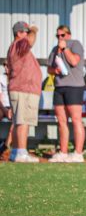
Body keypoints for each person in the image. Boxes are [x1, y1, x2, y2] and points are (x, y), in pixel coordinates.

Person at [46, 25, 86, 162]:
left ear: (68, 34)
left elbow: (74, 61)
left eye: (62, 35)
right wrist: (54, 70)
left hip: (74, 87)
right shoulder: (54, 49)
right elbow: (49, 68)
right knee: (61, 121)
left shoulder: (75, 44)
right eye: (57, 36)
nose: (59, 38)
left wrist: (64, 48)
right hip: (59, 86)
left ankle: (78, 153)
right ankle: (63, 152)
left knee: (76, 120)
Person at [6, 21, 42, 163]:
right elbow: (30, 41)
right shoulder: (20, 44)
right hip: (23, 90)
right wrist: (33, 30)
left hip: (21, 89)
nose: (28, 35)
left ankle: (16, 151)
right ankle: (21, 152)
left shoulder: (17, 47)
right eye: (25, 32)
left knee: (19, 122)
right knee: (22, 122)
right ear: (19, 33)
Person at [0, 63, 13, 156]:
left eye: (8, 65)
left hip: (13, 107)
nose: (6, 67)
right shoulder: (1, 78)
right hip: (2, 106)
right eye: (5, 65)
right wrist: (4, 110)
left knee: (17, 119)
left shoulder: (17, 79)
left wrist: (12, 109)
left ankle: (5, 146)